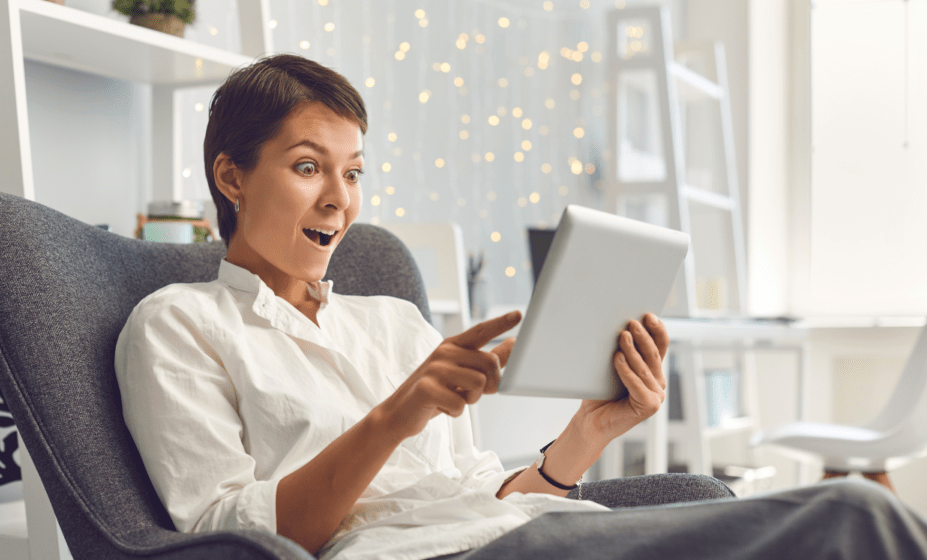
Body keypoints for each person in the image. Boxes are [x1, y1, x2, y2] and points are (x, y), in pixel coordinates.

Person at [114, 54, 927, 560]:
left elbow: (476, 492)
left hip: (514, 533)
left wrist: (589, 433)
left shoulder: (394, 325)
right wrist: (393, 418)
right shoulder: (180, 326)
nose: (339, 199)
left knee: (848, 521)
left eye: (354, 172)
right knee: (853, 514)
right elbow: (234, 540)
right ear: (231, 176)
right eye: (307, 166)